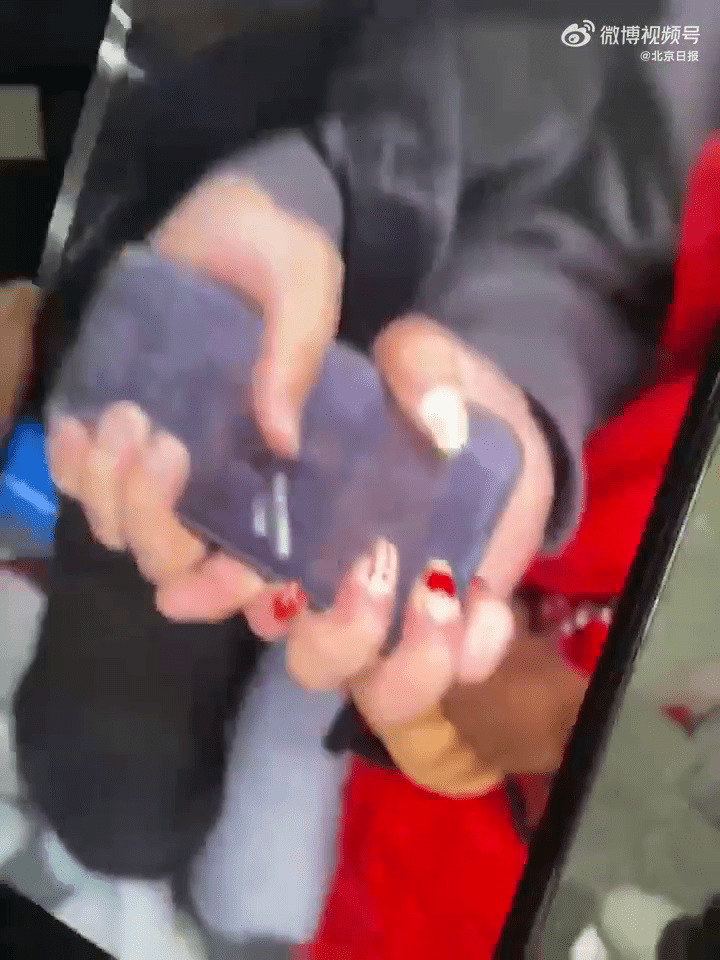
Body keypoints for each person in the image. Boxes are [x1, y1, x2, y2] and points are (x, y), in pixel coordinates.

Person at [7, 0, 718, 956]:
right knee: (112, 804)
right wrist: (320, 188)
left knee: (203, 867)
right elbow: (603, 152)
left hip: (441, 645)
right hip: (352, 319)